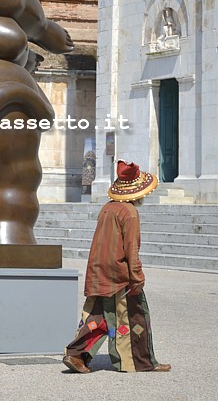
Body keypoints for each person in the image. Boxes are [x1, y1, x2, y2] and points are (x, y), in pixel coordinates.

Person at [62, 160, 171, 374]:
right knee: (136, 316)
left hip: (99, 270)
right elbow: (131, 249)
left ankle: (76, 355)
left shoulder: (108, 208)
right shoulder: (129, 212)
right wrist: (137, 276)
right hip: (119, 274)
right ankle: (141, 361)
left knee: (97, 316)